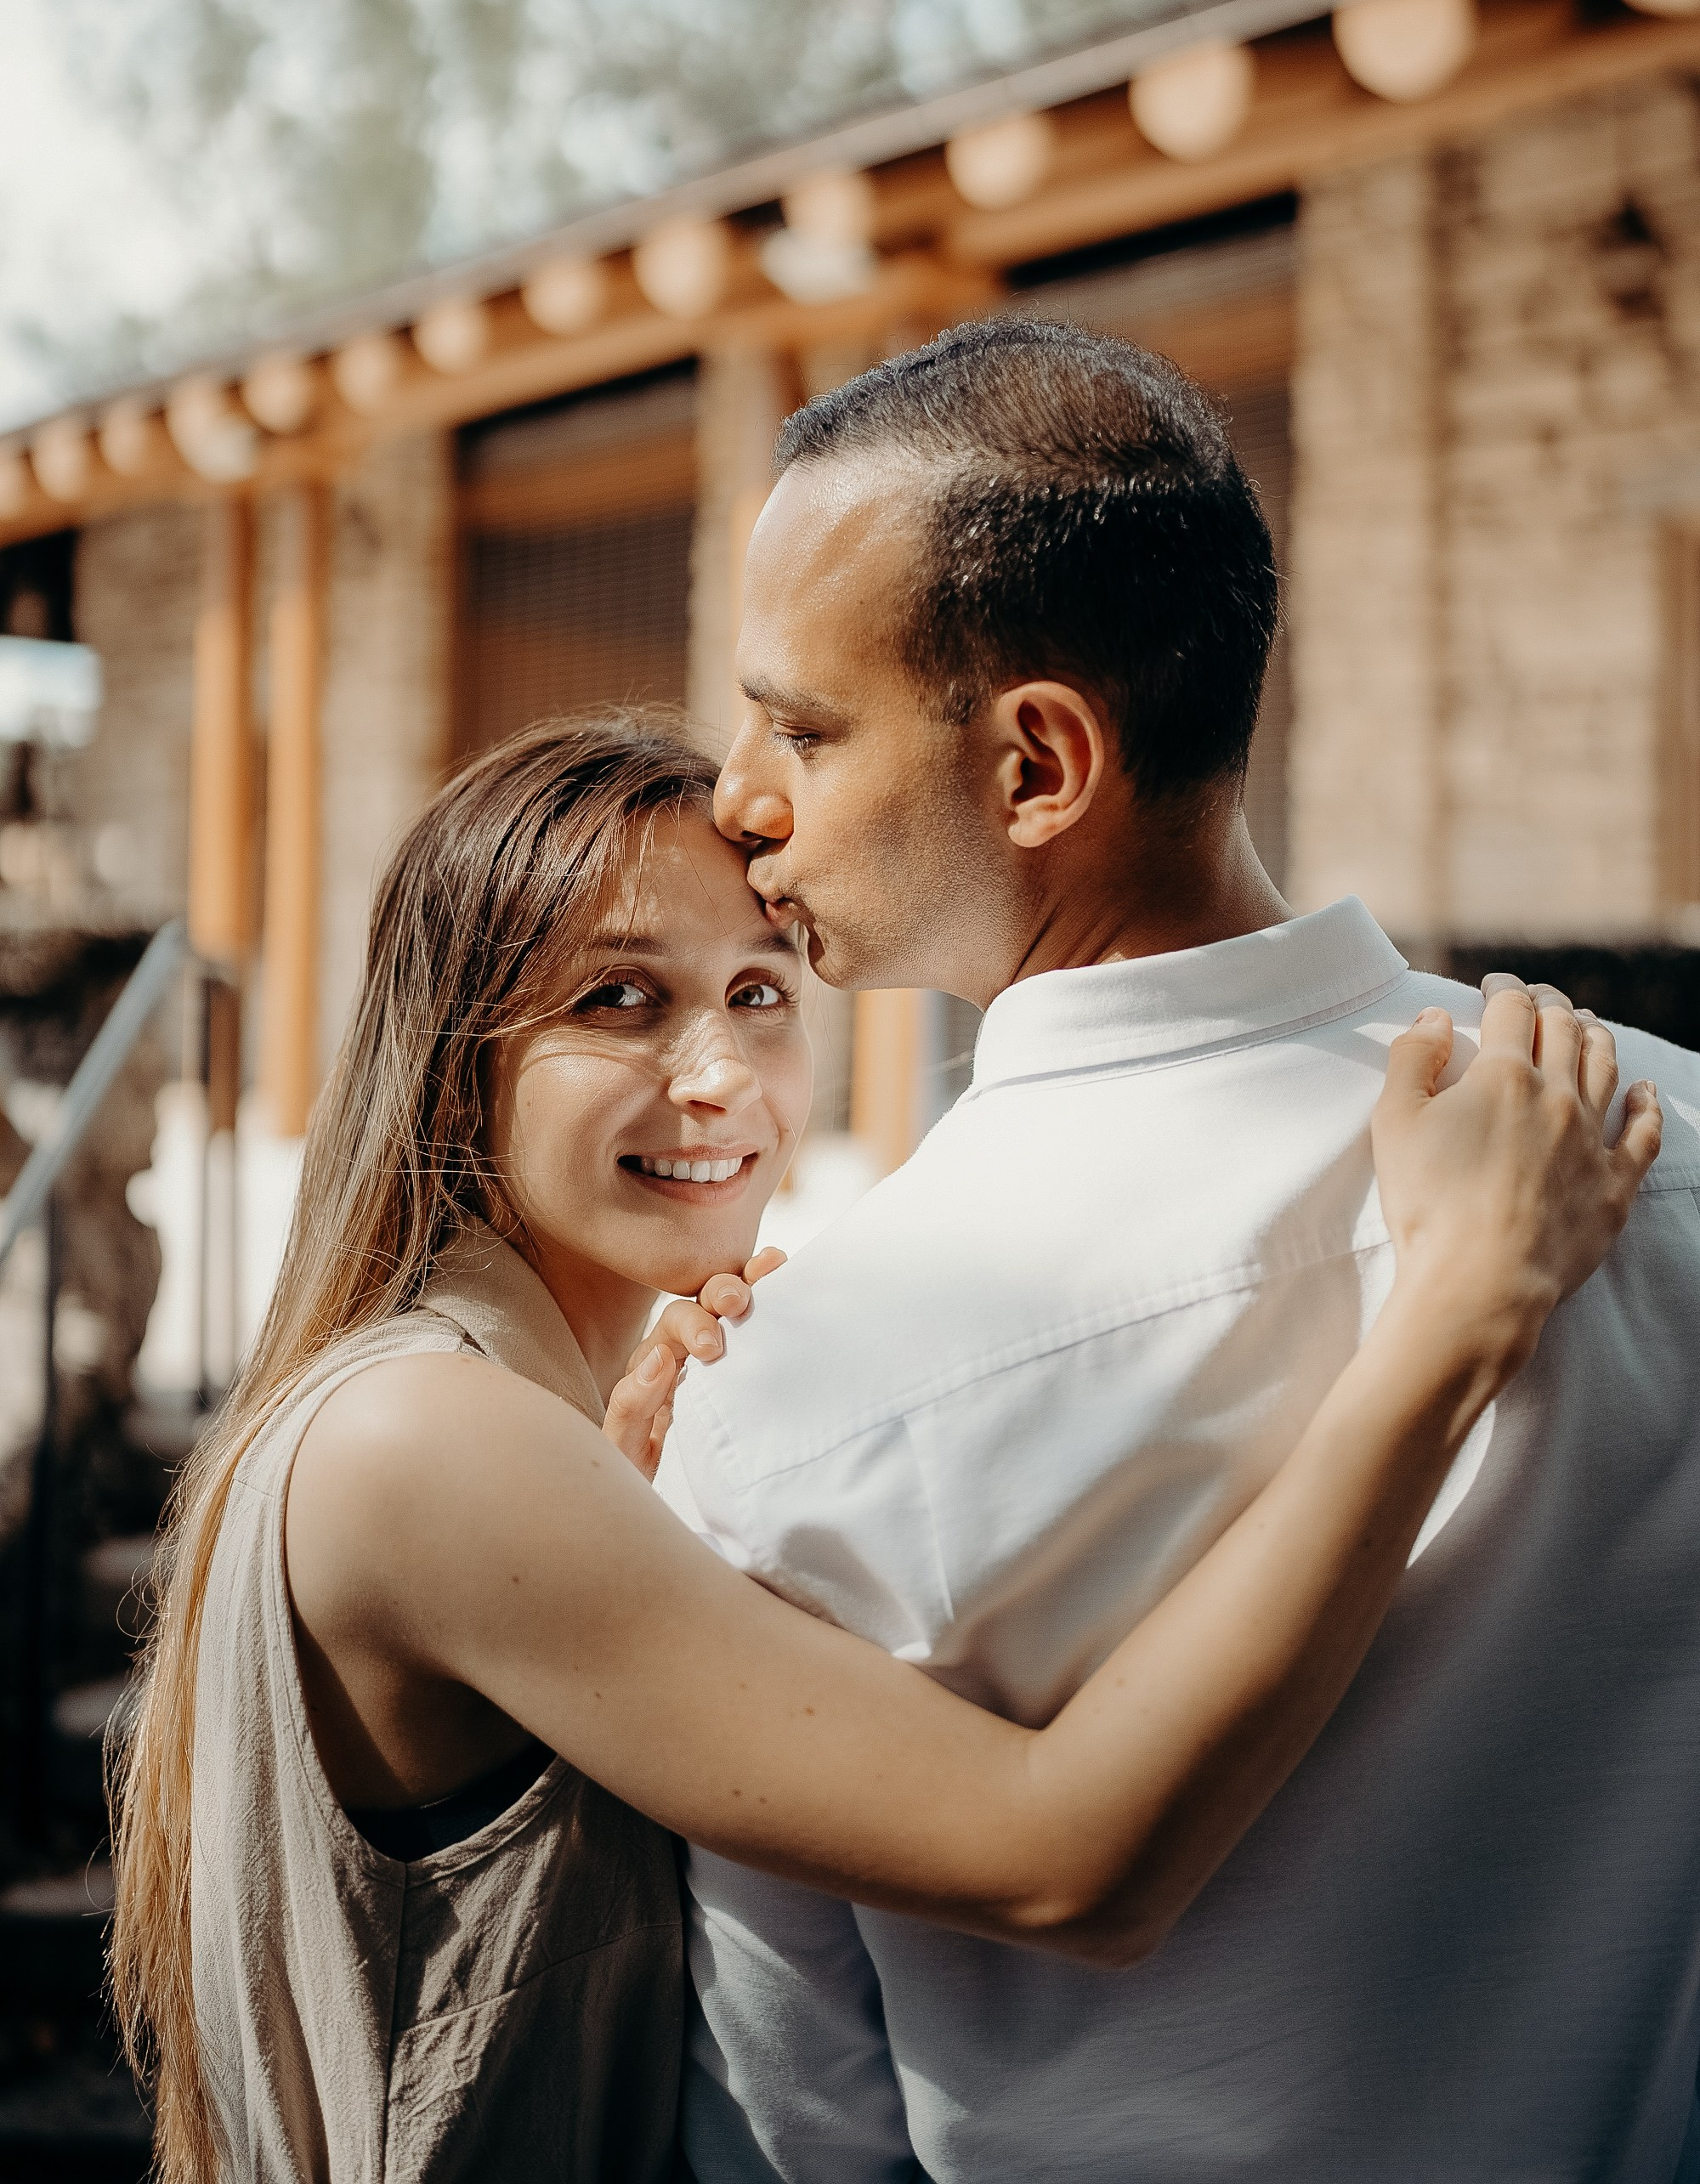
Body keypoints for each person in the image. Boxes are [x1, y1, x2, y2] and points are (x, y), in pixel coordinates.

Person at [108, 716, 1651, 2184]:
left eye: (763, 993)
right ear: (457, 1050)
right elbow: (1067, 1857)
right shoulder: (421, 1439)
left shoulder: (506, 1422)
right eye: (618, 1001)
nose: (719, 1077)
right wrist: (1456, 1317)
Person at [660, 315, 1700, 2184]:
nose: (738, 790)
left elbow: (799, 2118)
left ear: (1039, 762)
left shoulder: (803, 1403)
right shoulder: (1676, 1135)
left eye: (801, 724)